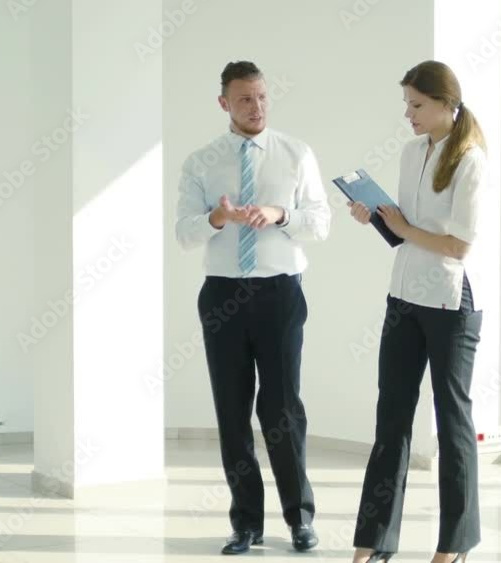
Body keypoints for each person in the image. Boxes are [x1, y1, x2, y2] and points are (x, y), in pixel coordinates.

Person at [175, 60, 332, 556]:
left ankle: (300, 519)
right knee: (232, 409)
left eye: (262, 96)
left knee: (283, 409)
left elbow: (320, 222)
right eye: (244, 98)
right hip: (222, 295)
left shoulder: (295, 153)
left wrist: (280, 214)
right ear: (224, 103)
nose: (256, 107)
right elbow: (184, 233)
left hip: (279, 293)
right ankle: (246, 523)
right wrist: (217, 218)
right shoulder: (200, 162)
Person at [348, 60, 487, 563]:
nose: (408, 114)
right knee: (391, 421)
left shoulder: (469, 160)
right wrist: (376, 219)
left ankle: (454, 546)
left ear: (446, 104)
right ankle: (373, 542)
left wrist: (405, 230)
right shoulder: (411, 152)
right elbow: (405, 232)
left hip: (450, 304)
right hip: (403, 297)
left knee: (452, 423)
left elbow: (458, 246)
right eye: (407, 104)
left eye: (417, 105)